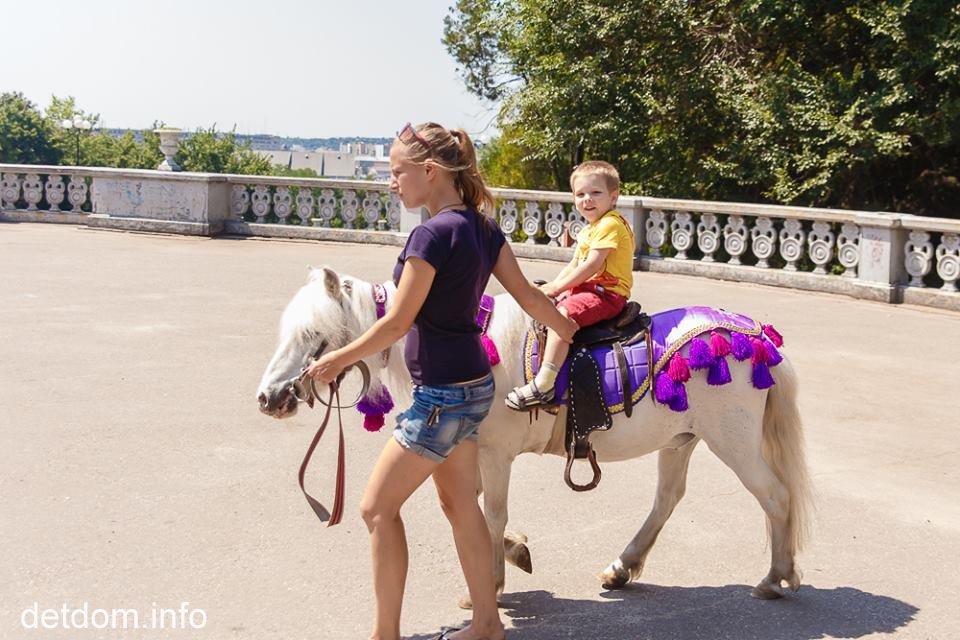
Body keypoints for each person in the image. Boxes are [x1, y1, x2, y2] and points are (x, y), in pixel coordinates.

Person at [303, 122, 577, 640]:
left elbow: (397, 322)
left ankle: (385, 635)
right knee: (459, 504)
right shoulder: (482, 228)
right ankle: (487, 624)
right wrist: (565, 327)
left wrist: (337, 358)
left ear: (430, 171)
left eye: (397, 172)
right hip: (473, 387)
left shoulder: (430, 235)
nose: (391, 182)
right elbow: (527, 295)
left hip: (441, 397)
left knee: (376, 509)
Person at [505, 160, 634, 411]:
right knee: (547, 306)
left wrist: (556, 290)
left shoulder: (611, 223)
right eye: (580, 194)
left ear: (613, 196)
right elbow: (574, 264)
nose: (587, 199)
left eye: (595, 192)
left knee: (560, 318)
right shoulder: (589, 229)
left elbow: (592, 266)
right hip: (587, 290)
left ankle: (544, 385)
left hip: (606, 295)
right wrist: (553, 286)